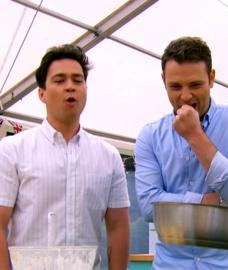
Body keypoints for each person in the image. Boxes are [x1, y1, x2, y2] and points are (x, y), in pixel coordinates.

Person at [135, 36, 228, 269]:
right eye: (175, 86)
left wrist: (195, 135)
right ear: (163, 81)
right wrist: (206, 201)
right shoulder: (150, 135)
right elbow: (148, 205)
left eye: (195, 85)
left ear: (211, 78)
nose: (185, 96)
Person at [0, 44, 130, 270]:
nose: (70, 87)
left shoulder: (108, 157)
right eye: (59, 81)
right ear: (42, 93)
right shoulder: (12, 150)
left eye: (77, 80)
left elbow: (118, 226)